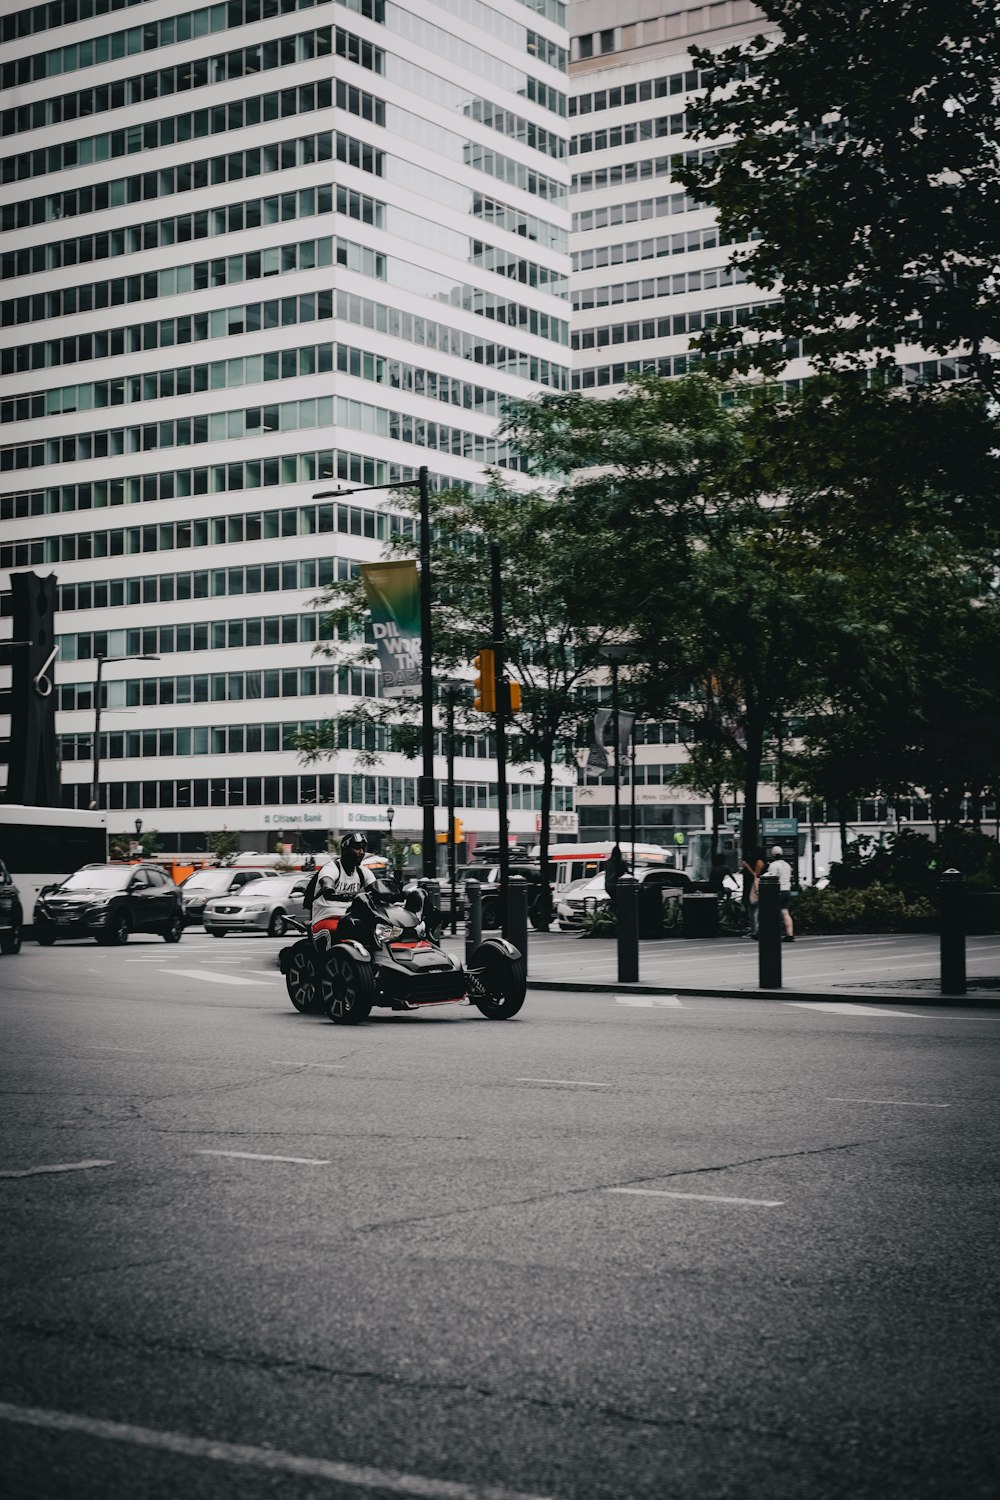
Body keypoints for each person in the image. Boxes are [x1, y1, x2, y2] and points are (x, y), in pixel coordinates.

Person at [308, 832, 377, 948]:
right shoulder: (331, 868)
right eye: (357, 848)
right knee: (334, 933)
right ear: (345, 850)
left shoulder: (362, 872)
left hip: (351, 919)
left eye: (363, 848)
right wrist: (330, 890)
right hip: (327, 917)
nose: (361, 852)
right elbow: (327, 882)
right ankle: (327, 964)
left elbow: (376, 889)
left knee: (375, 933)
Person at [768, 844, 795, 941]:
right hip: (787, 890)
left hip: (777, 890)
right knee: (785, 912)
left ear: (773, 855)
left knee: (773, 913)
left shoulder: (773, 865)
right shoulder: (787, 865)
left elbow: (770, 878)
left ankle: (773, 933)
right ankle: (790, 934)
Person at [741, 846, 766, 938]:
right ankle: (754, 930)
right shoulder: (760, 861)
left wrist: (747, 866)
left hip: (756, 886)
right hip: (757, 886)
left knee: (754, 909)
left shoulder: (759, 862)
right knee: (753, 909)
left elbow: (756, 875)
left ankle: (755, 931)